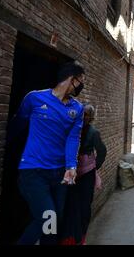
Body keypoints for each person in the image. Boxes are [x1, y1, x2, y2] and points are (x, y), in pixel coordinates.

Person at [8, 61, 85, 245]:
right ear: (70, 79)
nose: (81, 86)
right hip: (33, 170)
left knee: (53, 224)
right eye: (80, 81)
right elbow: (18, 124)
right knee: (47, 218)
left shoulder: (77, 109)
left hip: (60, 174)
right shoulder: (34, 98)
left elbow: (73, 139)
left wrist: (71, 165)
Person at [60, 104, 106, 245]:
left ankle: (81, 237)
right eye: (83, 114)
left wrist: (93, 167)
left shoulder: (93, 133)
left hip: (86, 174)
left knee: (84, 206)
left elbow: (102, 151)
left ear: (91, 118)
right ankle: (70, 237)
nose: (84, 117)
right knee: (70, 205)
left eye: (87, 115)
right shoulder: (72, 129)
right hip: (70, 172)